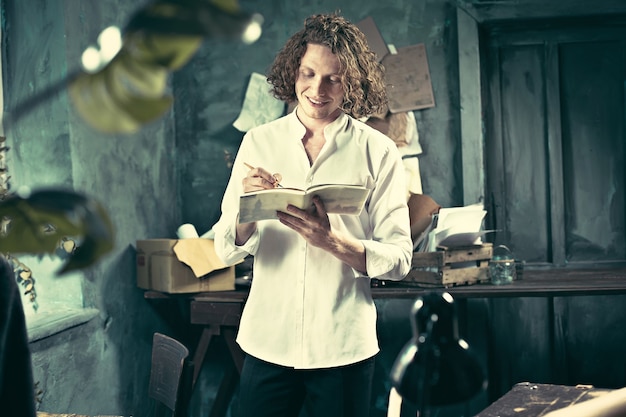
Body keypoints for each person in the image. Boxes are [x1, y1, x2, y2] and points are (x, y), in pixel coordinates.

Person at [213, 12, 413, 417]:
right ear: (294, 72)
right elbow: (223, 251)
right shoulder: (258, 143)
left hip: (343, 345)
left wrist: (333, 242)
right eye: (308, 74)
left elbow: (400, 259)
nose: (317, 89)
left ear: (351, 83)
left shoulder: (379, 150)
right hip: (267, 340)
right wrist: (246, 212)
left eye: (332, 78)